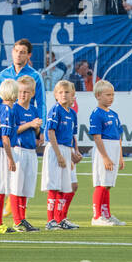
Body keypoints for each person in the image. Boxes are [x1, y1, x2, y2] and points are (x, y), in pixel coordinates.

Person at [4, 76, 42, 232]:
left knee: (26, 187)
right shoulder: (14, 109)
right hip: (18, 150)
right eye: (20, 91)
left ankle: (22, 218)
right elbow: (13, 131)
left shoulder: (34, 110)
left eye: (26, 92)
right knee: (16, 186)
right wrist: (30, 124)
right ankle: (17, 220)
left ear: (32, 93)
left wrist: (39, 132)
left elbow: (37, 130)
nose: (22, 95)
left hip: (31, 151)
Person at [43, 80, 81, 230]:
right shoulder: (55, 110)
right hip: (55, 149)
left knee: (65, 185)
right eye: (60, 92)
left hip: (66, 150)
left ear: (73, 95)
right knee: (54, 185)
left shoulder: (72, 114)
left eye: (67, 92)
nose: (64, 95)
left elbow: (72, 135)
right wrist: (59, 155)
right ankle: (50, 220)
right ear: (55, 95)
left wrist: (75, 152)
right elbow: (50, 132)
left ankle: (60, 219)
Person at [88, 80, 124, 225]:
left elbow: (119, 136)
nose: (111, 98)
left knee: (108, 183)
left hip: (114, 149)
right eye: (108, 95)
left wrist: (120, 157)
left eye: (112, 95)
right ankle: (96, 216)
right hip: (105, 150)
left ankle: (106, 214)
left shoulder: (114, 114)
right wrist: (105, 157)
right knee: (101, 183)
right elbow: (97, 137)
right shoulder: (96, 114)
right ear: (98, 95)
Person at [0, 79, 18, 234]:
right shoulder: (6, 110)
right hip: (1, 151)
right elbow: (5, 138)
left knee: (0, 187)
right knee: (0, 187)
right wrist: (10, 159)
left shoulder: (1, 107)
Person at [0, 38, 46, 123]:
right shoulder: (3, 75)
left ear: (29, 55)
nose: (18, 55)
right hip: (6, 121)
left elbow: (41, 104)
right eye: (16, 51)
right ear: (12, 52)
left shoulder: (36, 76)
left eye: (22, 52)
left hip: (27, 121)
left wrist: (41, 128)